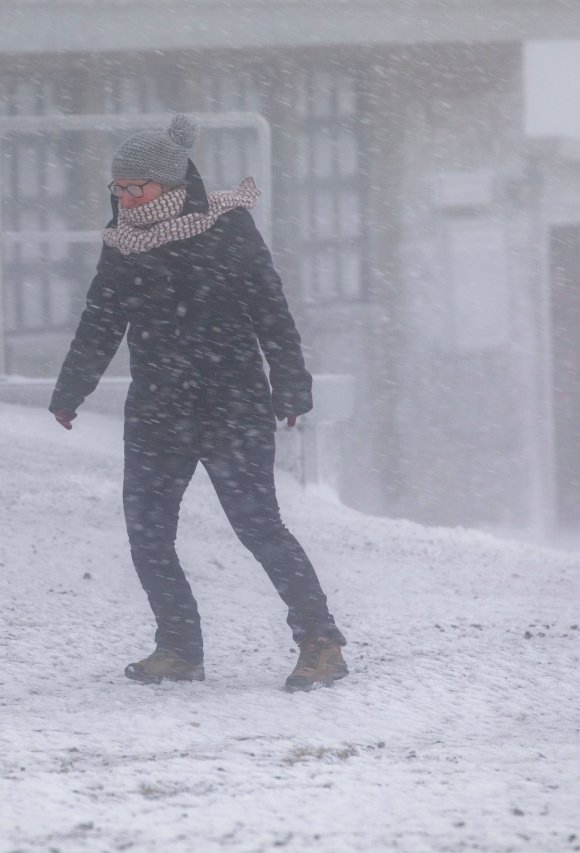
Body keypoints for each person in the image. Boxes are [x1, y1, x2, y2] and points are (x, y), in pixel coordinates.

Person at [50, 114, 348, 692]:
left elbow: (270, 309)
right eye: (120, 188)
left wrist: (290, 384)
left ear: (172, 182)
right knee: (148, 531)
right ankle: (179, 646)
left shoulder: (226, 227)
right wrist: (71, 390)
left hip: (230, 401)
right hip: (158, 407)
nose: (128, 197)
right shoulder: (122, 245)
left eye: (139, 186)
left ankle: (321, 641)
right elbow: (100, 322)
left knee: (258, 527)